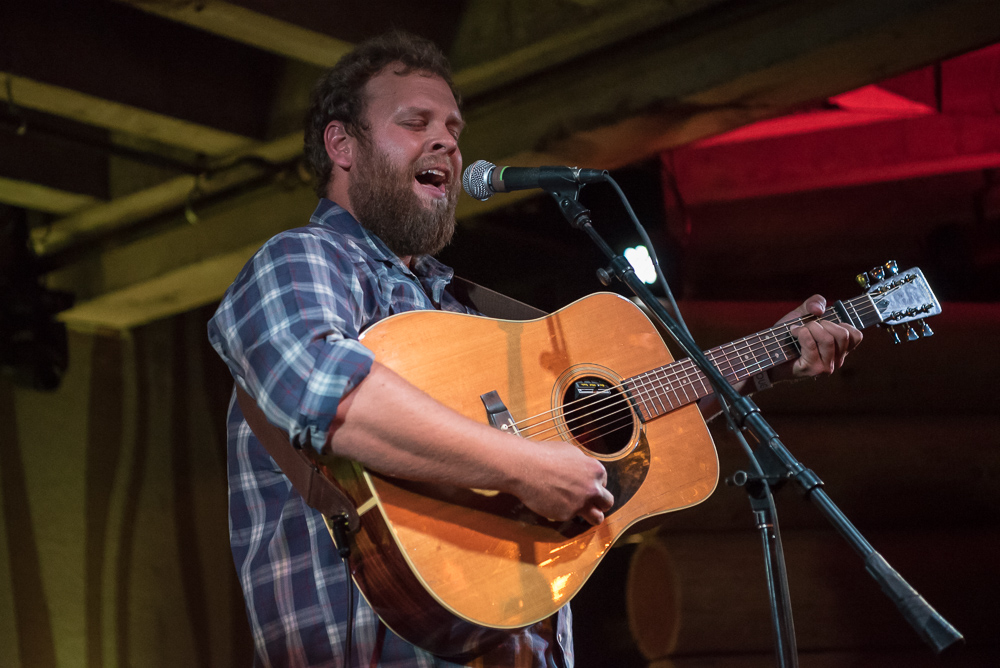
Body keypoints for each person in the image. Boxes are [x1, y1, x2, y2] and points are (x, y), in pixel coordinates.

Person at [208, 31, 862, 668]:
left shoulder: (464, 307)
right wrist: (523, 468)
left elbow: (618, 432)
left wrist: (763, 362)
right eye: (416, 122)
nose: (447, 141)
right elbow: (334, 397)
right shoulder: (301, 261)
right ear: (341, 145)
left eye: (454, 129)